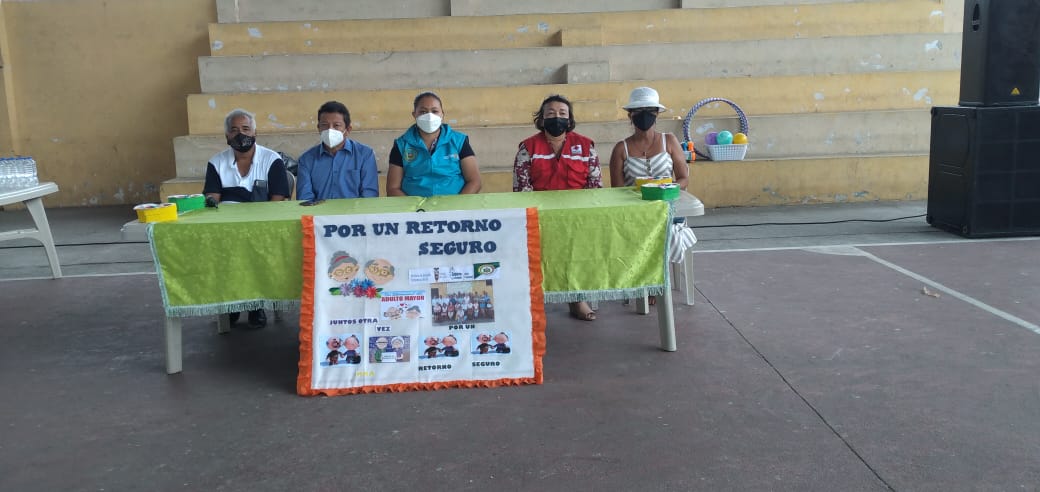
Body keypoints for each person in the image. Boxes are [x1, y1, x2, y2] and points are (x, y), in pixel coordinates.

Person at [513, 94, 602, 321]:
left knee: (577, 256)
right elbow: (522, 187)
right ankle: (535, 302)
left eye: (562, 113)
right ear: (541, 119)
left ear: (569, 119)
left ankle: (577, 299)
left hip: (577, 218)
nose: (557, 117)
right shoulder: (528, 147)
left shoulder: (586, 146)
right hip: (541, 218)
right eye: (550, 113)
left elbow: (595, 186)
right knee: (537, 258)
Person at [202, 108, 290, 329]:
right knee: (224, 251)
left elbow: (278, 200)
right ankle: (231, 303)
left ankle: (255, 304)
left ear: (255, 133)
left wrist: (255, 226)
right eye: (234, 130)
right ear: (227, 136)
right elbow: (212, 198)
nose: (240, 134)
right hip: (227, 229)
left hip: (263, 228)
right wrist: (211, 203)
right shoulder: (216, 162)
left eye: (245, 129)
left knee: (252, 250)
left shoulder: (272, 160)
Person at [386, 92, 481, 197]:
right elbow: (393, 188)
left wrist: (457, 204)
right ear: (414, 114)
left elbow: (474, 181)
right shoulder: (401, 145)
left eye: (435, 111)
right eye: (423, 112)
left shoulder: (459, 141)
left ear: (442, 114)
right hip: (415, 206)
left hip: (454, 204)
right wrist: (414, 206)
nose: (429, 116)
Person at [608, 87, 689, 191]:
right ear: (630, 115)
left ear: (657, 114)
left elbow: (684, 179)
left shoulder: (669, 141)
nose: (644, 115)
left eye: (650, 110)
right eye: (638, 110)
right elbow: (617, 190)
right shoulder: (621, 149)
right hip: (634, 201)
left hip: (666, 200)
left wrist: (666, 188)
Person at [296, 101, 379, 201]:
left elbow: (369, 196)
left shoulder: (365, 155)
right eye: (324, 125)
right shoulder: (306, 159)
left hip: (355, 210)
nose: (330, 130)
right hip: (319, 210)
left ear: (348, 129)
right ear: (318, 128)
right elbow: (304, 198)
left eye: (336, 125)